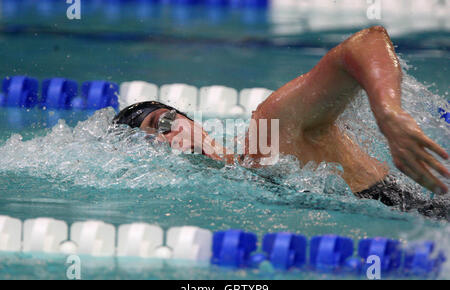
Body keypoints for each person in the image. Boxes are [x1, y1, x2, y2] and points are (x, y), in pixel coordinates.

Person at [114, 26, 449, 206]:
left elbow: (366, 43)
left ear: (191, 121)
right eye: (150, 143)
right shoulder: (242, 185)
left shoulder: (269, 132)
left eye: (163, 123)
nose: (165, 139)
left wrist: (387, 110)